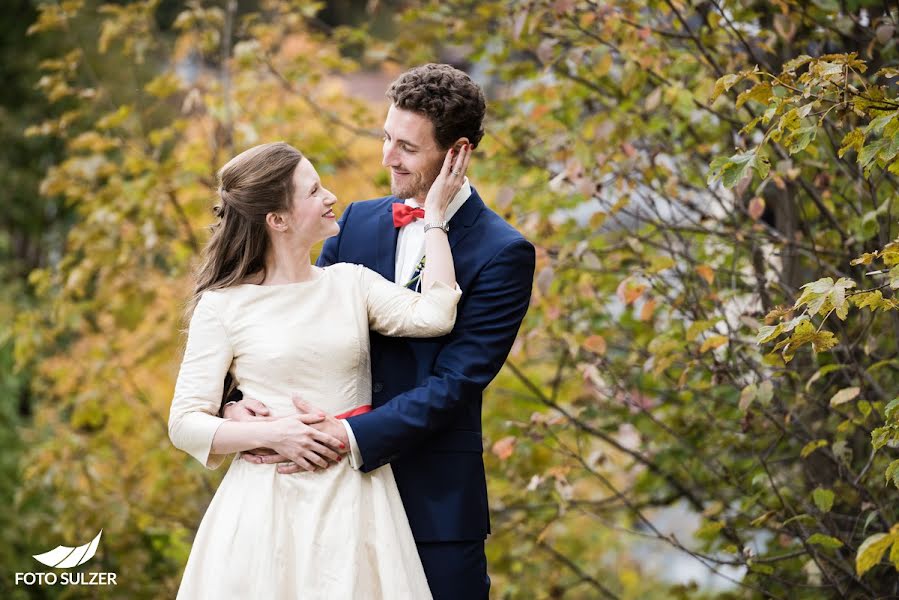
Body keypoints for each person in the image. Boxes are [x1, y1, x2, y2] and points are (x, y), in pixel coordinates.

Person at [230, 64, 536, 598]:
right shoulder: (357, 222)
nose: (387, 158)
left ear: (457, 153)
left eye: (407, 148)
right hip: (324, 492)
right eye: (385, 138)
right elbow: (292, 324)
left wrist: (349, 435)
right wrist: (237, 402)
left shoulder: (503, 252)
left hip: (433, 506)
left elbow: (455, 384)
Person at [168, 139, 472, 598]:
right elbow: (185, 423)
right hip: (265, 506)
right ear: (278, 220)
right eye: (313, 192)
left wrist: (434, 220)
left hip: (356, 499)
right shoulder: (223, 306)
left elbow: (435, 315)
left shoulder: (351, 283)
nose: (330, 197)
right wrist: (272, 434)